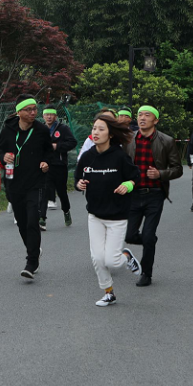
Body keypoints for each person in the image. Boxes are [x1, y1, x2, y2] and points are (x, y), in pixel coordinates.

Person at [75, 114, 140, 307]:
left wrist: (128, 185)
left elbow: (134, 175)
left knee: (112, 261)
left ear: (110, 134)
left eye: (101, 129)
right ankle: (108, 292)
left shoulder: (119, 156)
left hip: (117, 216)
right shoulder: (87, 156)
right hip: (95, 215)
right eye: (94, 128)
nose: (96, 132)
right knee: (97, 258)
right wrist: (79, 184)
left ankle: (126, 256)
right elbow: (78, 180)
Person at [123, 105, 184, 287]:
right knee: (130, 236)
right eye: (140, 115)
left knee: (148, 235)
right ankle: (150, 241)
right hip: (134, 194)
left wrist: (160, 174)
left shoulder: (166, 141)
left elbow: (178, 169)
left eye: (147, 115)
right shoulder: (128, 139)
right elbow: (123, 165)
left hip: (155, 195)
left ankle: (146, 274)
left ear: (155, 120)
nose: (142, 118)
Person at [0, 95, 53, 280]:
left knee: (31, 220)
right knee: (21, 222)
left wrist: (45, 162)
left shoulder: (41, 130)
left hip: (34, 182)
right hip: (13, 182)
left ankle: (31, 261)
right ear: (19, 112)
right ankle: (33, 248)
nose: (33, 112)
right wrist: (4, 157)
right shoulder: (8, 129)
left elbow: (49, 152)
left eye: (35, 109)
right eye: (28, 109)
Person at [38, 106, 77, 229]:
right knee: (44, 192)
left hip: (59, 165)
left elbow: (72, 142)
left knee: (61, 192)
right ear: (43, 116)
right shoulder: (40, 129)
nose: (49, 116)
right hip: (45, 165)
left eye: (51, 114)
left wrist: (57, 146)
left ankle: (66, 211)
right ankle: (42, 219)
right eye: (46, 114)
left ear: (55, 116)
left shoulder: (63, 129)